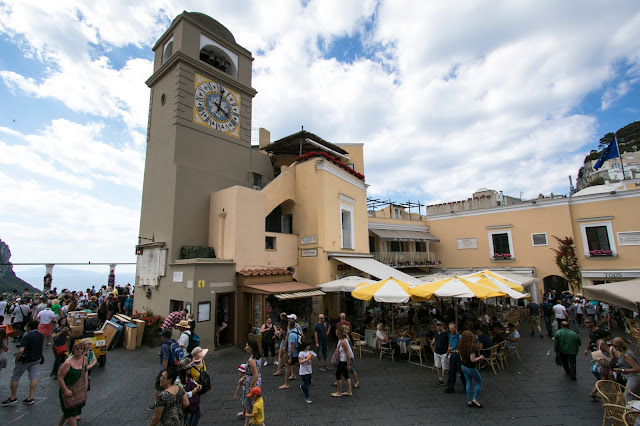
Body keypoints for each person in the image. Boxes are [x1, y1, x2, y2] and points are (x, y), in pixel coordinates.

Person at [2, 320, 44, 405]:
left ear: (29, 327)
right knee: (33, 377)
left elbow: (21, 350)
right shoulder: (40, 335)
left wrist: (17, 358)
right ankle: (30, 397)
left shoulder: (27, 336)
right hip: (36, 358)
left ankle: (13, 397)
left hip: (25, 359)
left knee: (15, 377)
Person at [56, 341, 88, 426]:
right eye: (77, 349)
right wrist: (65, 390)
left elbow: (85, 372)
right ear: (73, 350)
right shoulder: (67, 363)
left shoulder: (85, 359)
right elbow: (60, 378)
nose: (79, 351)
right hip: (68, 391)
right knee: (71, 414)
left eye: (82, 349)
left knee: (69, 412)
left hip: (78, 390)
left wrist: (86, 384)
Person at [150, 329, 176, 411]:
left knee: (158, 385)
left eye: (162, 335)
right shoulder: (173, 342)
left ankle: (158, 404)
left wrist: (163, 372)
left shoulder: (165, 346)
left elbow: (165, 360)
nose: (161, 337)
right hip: (174, 367)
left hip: (168, 368)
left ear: (164, 337)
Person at [459, 329, 484, 408]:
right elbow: (473, 360)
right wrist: (480, 357)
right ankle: (475, 399)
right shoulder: (471, 348)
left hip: (463, 366)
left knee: (468, 382)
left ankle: (469, 401)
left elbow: (461, 358)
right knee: (478, 382)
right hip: (471, 367)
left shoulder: (461, 346)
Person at [240, 338, 262, 422]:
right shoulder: (258, 357)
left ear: (251, 347)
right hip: (258, 380)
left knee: (250, 401)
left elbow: (254, 375)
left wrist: (250, 388)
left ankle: (253, 419)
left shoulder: (251, 360)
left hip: (252, 382)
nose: (246, 347)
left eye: (247, 345)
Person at [331, 325, 353, 397]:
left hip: (343, 361)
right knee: (346, 375)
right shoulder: (344, 340)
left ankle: (339, 392)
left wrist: (348, 364)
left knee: (338, 375)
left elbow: (347, 353)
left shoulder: (343, 342)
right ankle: (349, 391)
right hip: (343, 360)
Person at [445, 323, 466, 394]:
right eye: (450, 328)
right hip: (452, 356)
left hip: (458, 356)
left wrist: (457, 351)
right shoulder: (450, 336)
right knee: (451, 372)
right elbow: (449, 344)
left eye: (452, 328)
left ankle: (465, 387)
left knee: (461, 372)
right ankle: (450, 387)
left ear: (455, 328)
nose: (451, 330)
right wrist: (449, 350)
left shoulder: (459, 337)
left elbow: (463, 347)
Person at [279, 320, 300, 389]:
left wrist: (290, 357)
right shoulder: (297, 331)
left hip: (293, 354)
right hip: (298, 352)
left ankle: (286, 383)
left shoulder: (291, 335)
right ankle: (309, 379)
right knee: (299, 365)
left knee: (287, 366)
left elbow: (292, 347)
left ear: (289, 326)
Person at [432, 321, 449, 387]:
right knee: (438, 366)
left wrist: (448, 351)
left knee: (445, 367)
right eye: (437, 326)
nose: (438, 327)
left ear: (442, 326)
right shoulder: (435, 332)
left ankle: (449, 379)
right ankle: (440, 379)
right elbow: (434, 338)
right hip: (437, 351)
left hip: (444, 352)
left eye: (440, 326)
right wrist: (433, 342)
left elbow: (448, 342)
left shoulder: (446, 334)